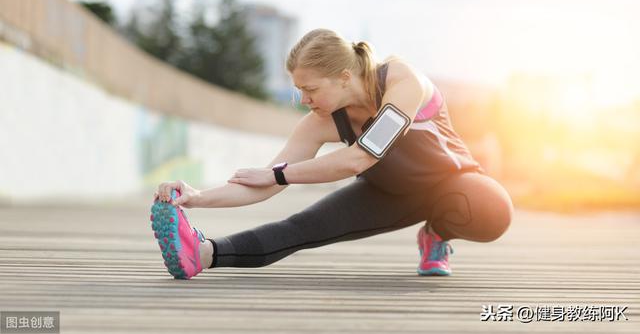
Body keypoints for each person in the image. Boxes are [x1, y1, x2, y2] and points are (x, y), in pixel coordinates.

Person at [150, 28, 514, 280]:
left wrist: (279, 173)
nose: (304, 100)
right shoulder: (319, 122)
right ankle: (203, 254)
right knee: (299, 228)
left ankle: (436, 233)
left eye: (310, 89)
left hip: (455, 187)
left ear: (343, 77)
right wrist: (197, 198)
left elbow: (360, 158)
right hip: (388, 195)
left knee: (492, 208)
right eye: (298, 90)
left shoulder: (404, 82)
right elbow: (266, 183)